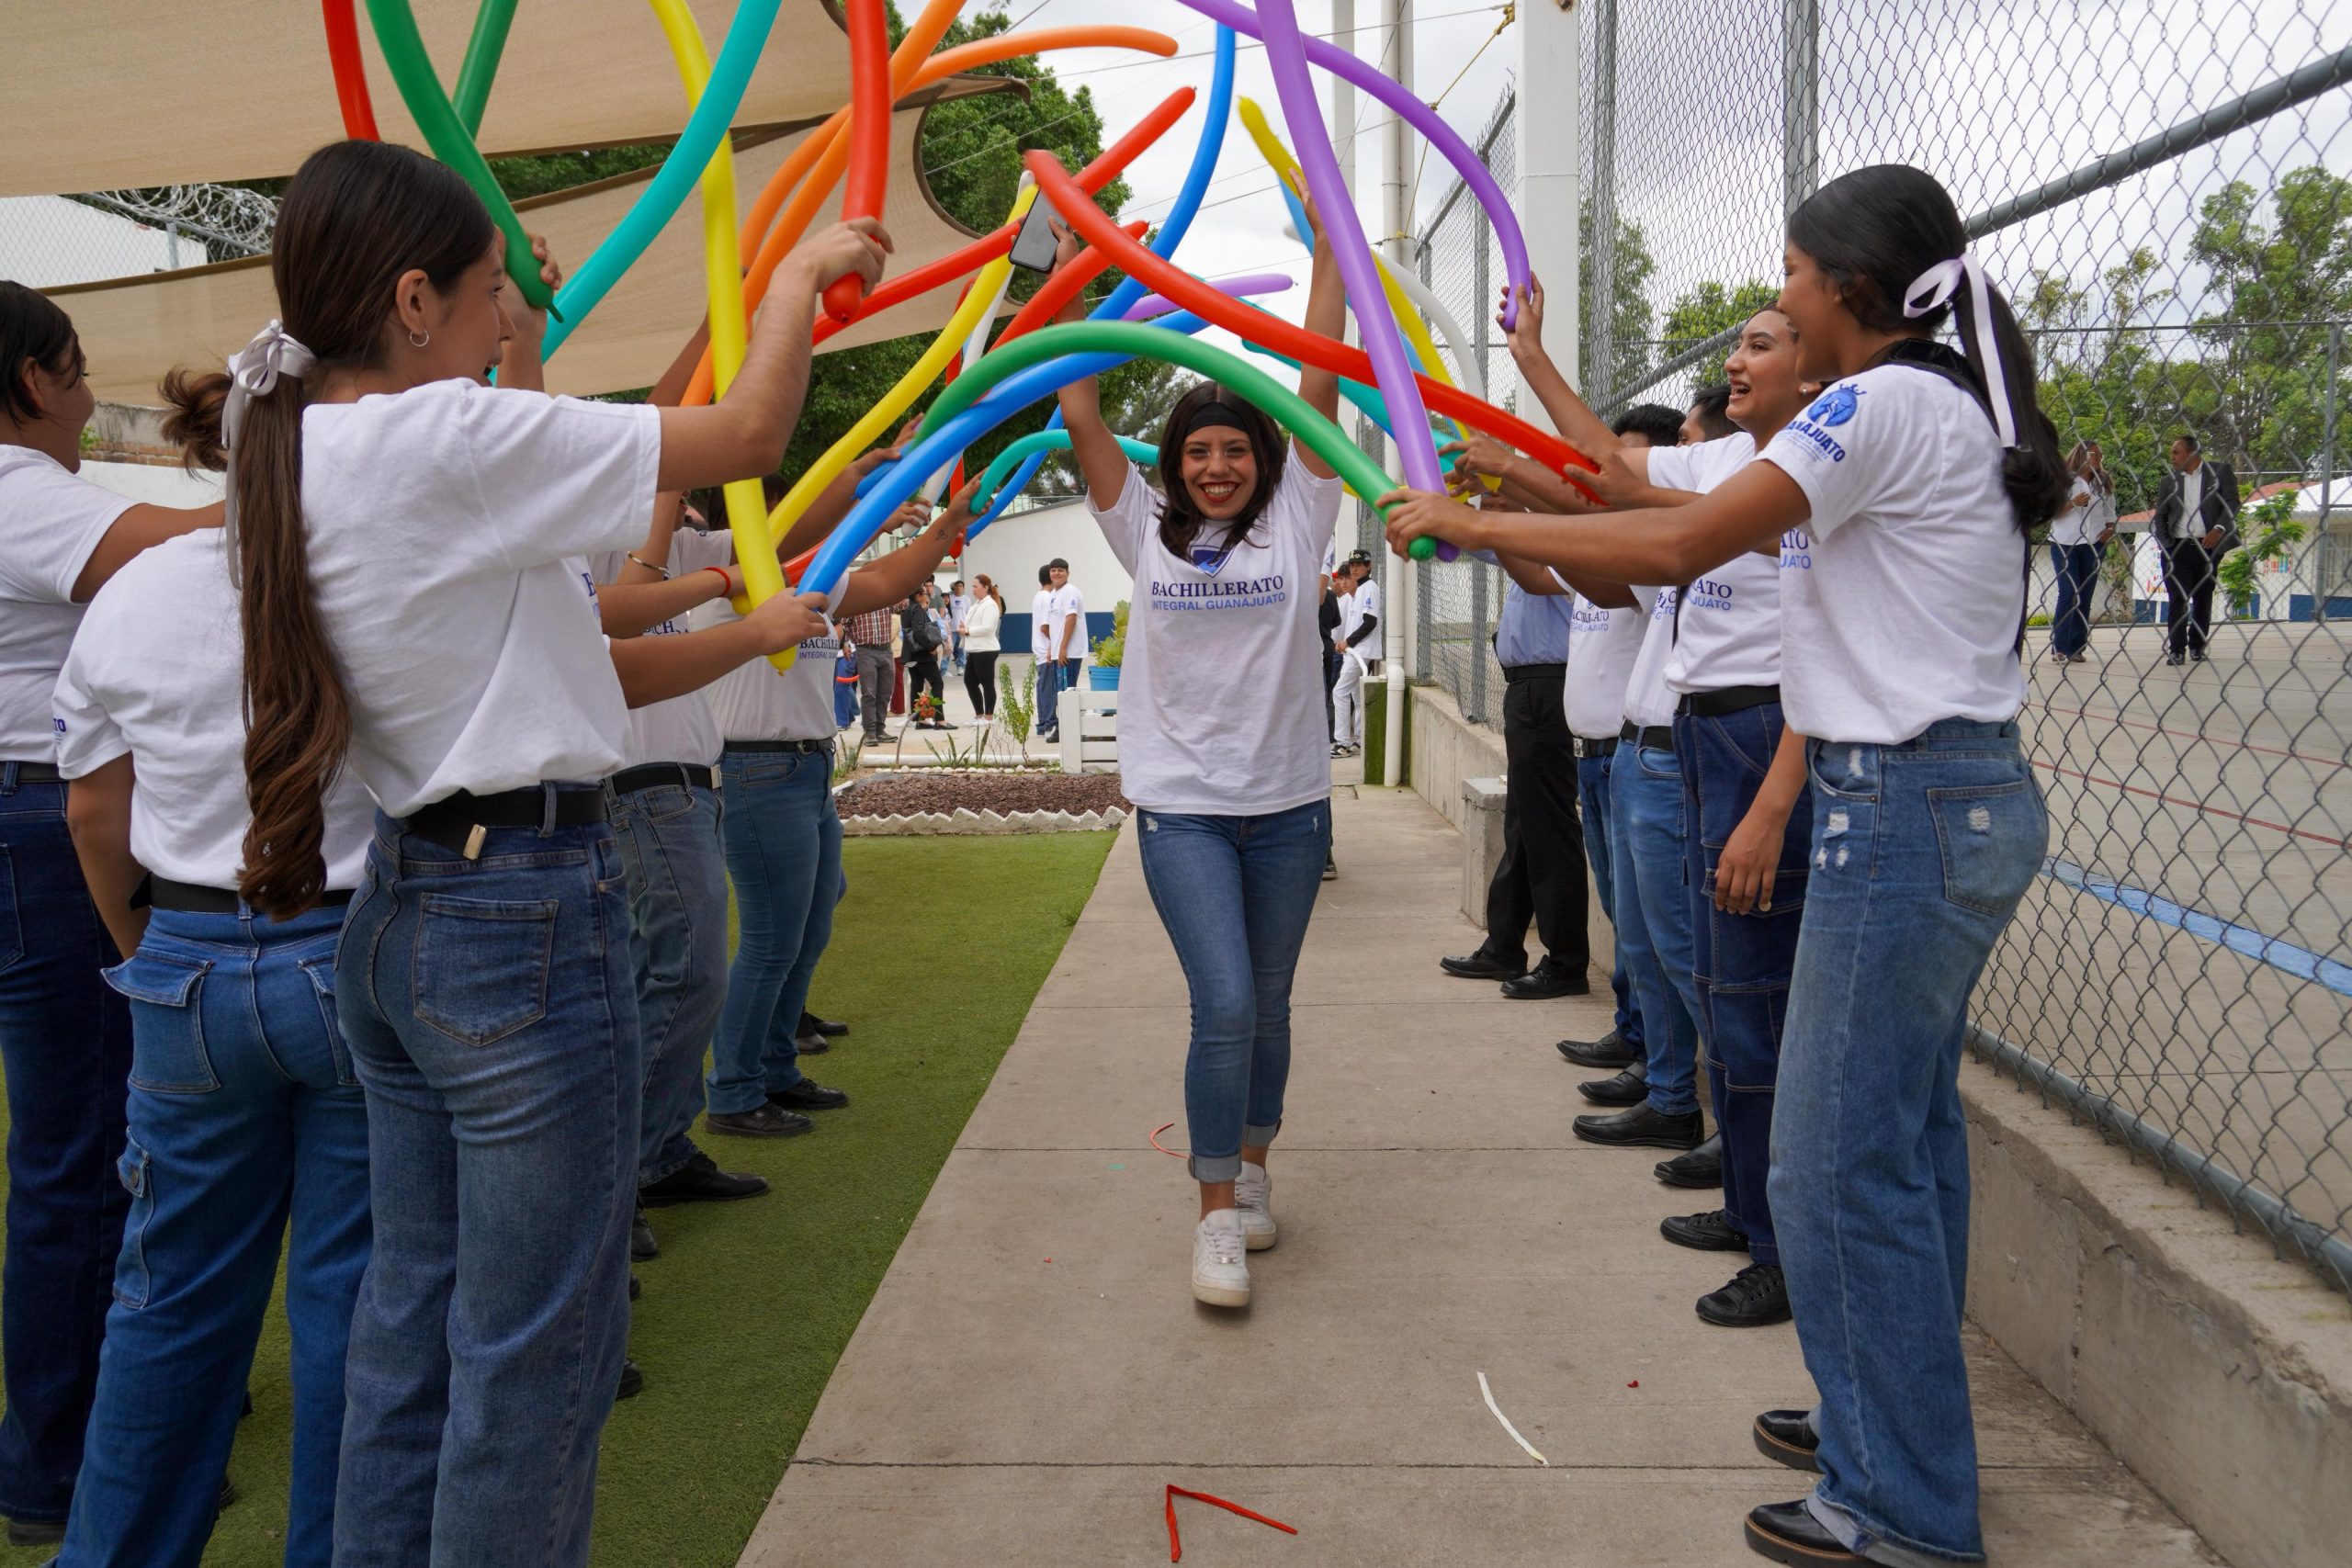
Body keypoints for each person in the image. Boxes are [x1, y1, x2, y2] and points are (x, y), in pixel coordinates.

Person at [157, 138, 878, 1563]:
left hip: (408, 910)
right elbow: (743, 435)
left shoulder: (296, 440)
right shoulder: (443, 443)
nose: (508, 322)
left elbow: (555, 595)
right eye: (493, 293)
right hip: (520, 917)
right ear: (416, 302)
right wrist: (793, 275)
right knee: (537, 1350)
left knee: (410, 1328)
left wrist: (523, 332)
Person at [1383, 162, 2063, 1568]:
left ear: (1851, 294)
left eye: (1795, 280)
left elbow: (1683, 536)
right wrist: (1527, 435)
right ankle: (1888, 1424)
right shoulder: (1913, 404)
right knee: (1906, 1144)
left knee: (1830, 1161)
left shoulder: (1880, 402)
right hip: (1946, 796)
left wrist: (1480, 521)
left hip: (1906, 803)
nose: (1781, 300)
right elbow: (1637, 479)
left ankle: (1903, 1506)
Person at [48, 521, 377, 1567]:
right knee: (354, 1298)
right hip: (347, 943)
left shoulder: (137, 589)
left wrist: (155, 954)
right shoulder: (374, 572)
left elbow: (95, 813)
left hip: (187, 954)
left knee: (167, 1298)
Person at [1049, 198, 1345, 1309]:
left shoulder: (1301, 517)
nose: (1216, 465)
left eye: (1233, 449)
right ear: (1170, 466)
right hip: (1180, 804)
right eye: (1197, 451)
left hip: (1286, 804)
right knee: (1220, 1002)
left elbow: (1316, 376)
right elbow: (1077, 395)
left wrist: (1326, 249)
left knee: (1268, 1007)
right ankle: (1215, 1210)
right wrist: (1085, 265)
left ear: (1264, 460)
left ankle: (1257, 1164)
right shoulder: (1139, 525)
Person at [0, 282, 222, 1548]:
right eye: (77, 371)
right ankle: (63, 1458)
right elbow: (179, 549)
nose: (89, 401)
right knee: (84, 1156)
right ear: (32, 380)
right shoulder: (21, 486)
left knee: (79, 1149)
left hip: (30, 822)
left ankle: (79, 1424)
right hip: (45, 827)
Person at [695, 491, 975, 1138]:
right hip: (757, 768)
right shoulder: (723, 586)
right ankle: (734, 1091)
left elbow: (889, 577)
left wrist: (948, 523)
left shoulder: (815, 578)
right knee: (772, 937)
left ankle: (773, 1065)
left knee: (813, 917)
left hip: (806, 765)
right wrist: (874, 510)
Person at [2150, 432, 2238, 666]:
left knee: (2203, 597)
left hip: (2208, 546)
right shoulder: (2168, 481)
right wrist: (2166, 544)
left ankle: (2197, 646)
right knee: (2177, 598)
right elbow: (2161, 515)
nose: (2172, 456)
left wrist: (2219, 529)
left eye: (2176, 452)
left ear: (2193, 453)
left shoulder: (2220, 472)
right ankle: (2177, 649)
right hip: (2177, 547)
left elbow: (2232, 502)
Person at [2047, 441, 2114, 665]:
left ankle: (2076, 648)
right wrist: (2072, 503)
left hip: (2094, 544)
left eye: (2101, 454)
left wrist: (2109, 529)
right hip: (2065, 543)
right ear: (2082, 455)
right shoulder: (2063, 479)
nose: (2100, 458)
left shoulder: (2103, 482)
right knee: (2069, 593)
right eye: (2096, 453)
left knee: (2084, 596)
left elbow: (2110, 512)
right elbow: (2051, 512)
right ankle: (2060, 648)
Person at [1329, 554, 1379, 757]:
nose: (1355, 569)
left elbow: (1370, 622)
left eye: (1360, 565)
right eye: (1353, 565)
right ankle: (1359, 739)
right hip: (1355, 651)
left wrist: (1348, 641)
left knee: (1339, 692)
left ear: (1369, 566)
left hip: (1361, 651)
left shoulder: (1369, 588)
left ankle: (1342, 742)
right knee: (1356, 695)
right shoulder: (1359, 591)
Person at [842, 596, 899, 746]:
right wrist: (845, 643)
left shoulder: (886, 599)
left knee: (886, 692)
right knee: (869, 693)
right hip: (865, 650)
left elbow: (903, 603)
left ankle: (880, 729)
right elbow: (844, 624)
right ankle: (870, 732)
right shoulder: (856, 603)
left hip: (886, 649)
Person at [900, 581, 947, 727]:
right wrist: (931, 646)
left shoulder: (906, 609)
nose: (928, 595)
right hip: (923, 654)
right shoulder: (917, 609)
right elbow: (920, 631)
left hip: (911, 654)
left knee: (917, 684)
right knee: (937, 683)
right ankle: (939, 719)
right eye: (925, 593)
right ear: (918, 596)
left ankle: (920, 719)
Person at [961, 572, 1004, 720]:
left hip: (985, 650)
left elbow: (988, 628)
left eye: (975, 586)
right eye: (972, 586)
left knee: (987, 683)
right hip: (974, 649)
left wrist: (967, 630)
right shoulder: (977, 604)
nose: (973, 589)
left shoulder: (990, 604)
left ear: (985, 587)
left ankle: (989, 717)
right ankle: (979, 715)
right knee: (970, 681)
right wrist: (964, 627)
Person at [1030, 564, 1062, 741]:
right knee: (1049, 689)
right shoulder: (1048, 598)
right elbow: (1045, 627)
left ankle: (1044, 724)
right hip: (1047, 650)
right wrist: (1054, 644)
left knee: (1043, 688)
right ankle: (1048, 723)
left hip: (1041, 650)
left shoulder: (1038, 596)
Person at [948, 578, 971, 673]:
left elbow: (969, 613)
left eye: (960, 586)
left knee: (962, 649)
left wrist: (967, 627)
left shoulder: (966, 599)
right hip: (951, 628)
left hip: (962, 629)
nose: (958, 587)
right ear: (954, 587)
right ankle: (944, 669)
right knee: (949, 649)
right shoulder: (949, 598)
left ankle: (961, 667)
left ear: (963, 588)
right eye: (957, 586)